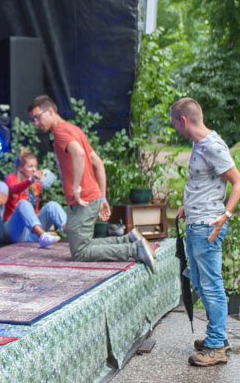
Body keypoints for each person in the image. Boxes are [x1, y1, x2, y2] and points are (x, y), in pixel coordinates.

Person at [27, 95, 156, 271]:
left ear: (50, 111)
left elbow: (79, 154)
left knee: (80, 252)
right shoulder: (74, 130)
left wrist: (76, 188)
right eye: (33, 119)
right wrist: (102, 198)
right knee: (83, 245)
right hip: (91, 197)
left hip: (82, 199)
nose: (36, 123)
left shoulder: (60, 132)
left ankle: (134, 249)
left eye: (37, 117)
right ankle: (129, 239)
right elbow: (98, 163)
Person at [169, 97, 240, 367]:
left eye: (174, 123)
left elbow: (238, 183)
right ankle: (218, 337)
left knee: (211, 286)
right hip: (196, 222)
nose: (174, 129)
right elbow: (203, 182)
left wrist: (224, 217)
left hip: (207, 227)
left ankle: (216, 346)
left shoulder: (212, 146)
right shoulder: (198, 144)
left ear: (183, 120)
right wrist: (187, 205)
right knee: (200, 283)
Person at [4, 147, 66, 247]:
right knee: (23, 203)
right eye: (30, 166)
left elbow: (34, 212)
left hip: (30, 233)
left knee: (52, 205)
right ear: (20, 168)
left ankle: (73, 234)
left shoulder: (36, 185)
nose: (34, 169)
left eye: (35, 166)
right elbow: (14, 189)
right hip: (14, 232)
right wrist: (30, 181)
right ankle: (42, 236)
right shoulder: (11, 178)